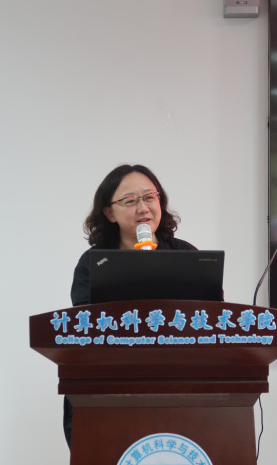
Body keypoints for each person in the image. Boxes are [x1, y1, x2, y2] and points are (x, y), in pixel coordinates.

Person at [64, 164, 197, 447]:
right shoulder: (94, 263)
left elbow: (210, 317)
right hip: (109, 386)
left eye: (149, 197)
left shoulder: (186, 255)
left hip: (177, 384)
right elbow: (84, 325)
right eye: (130, 200)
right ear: (109, 213)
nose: (143, 208)